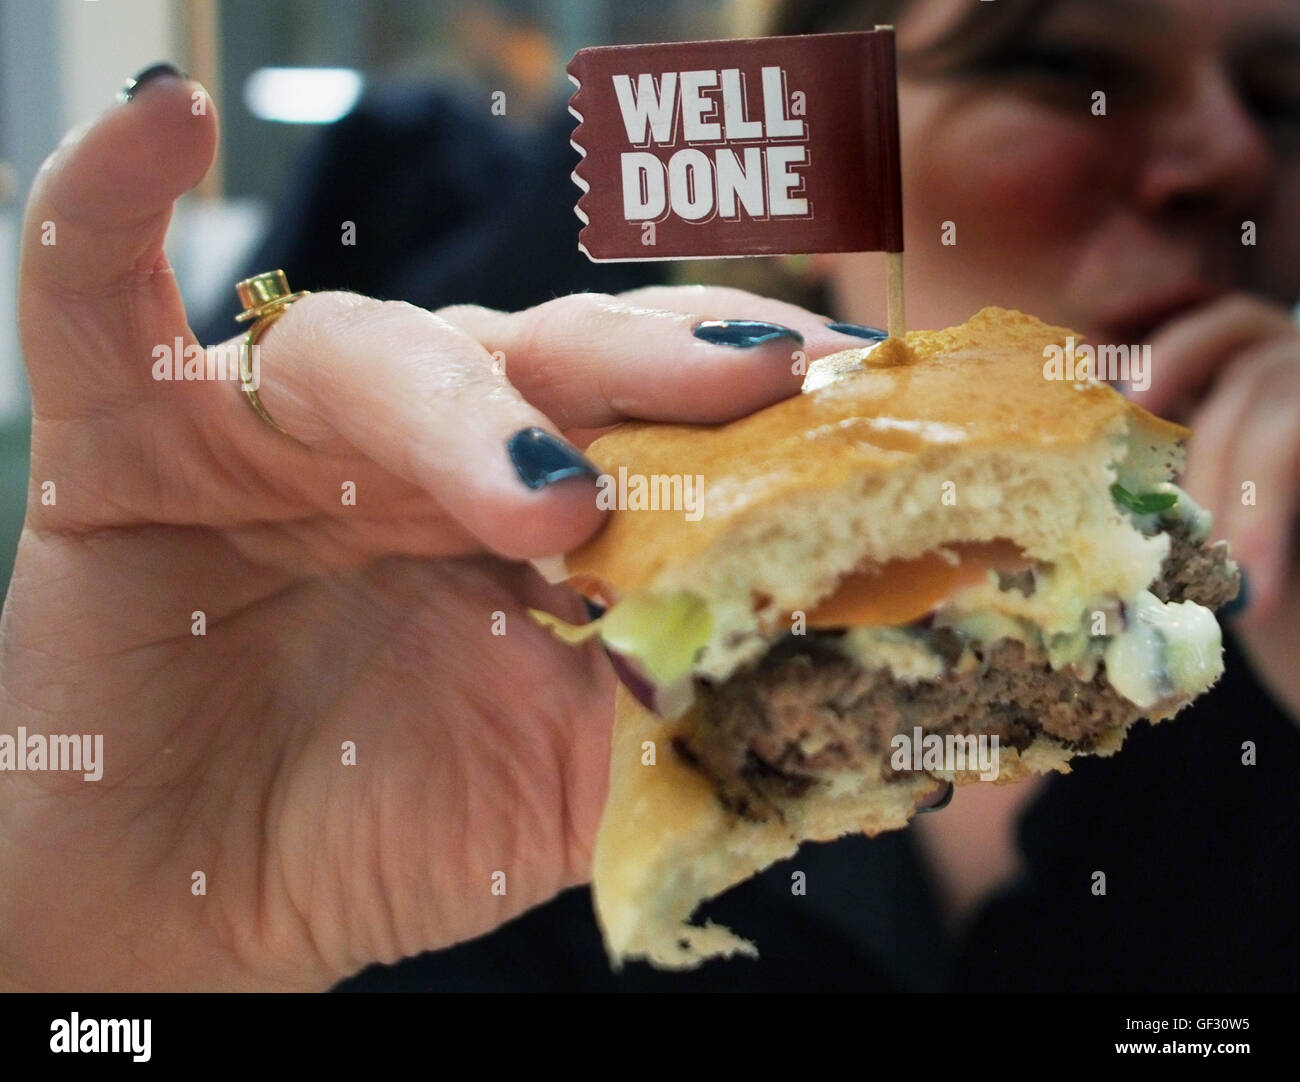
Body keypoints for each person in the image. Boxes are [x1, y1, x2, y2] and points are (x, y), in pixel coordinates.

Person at [1, 0, 1297, 992]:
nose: (1231, 159)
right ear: (818, 162)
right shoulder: (454, 627)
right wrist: (114, 932)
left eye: (1286, 95)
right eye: (1062, 63)